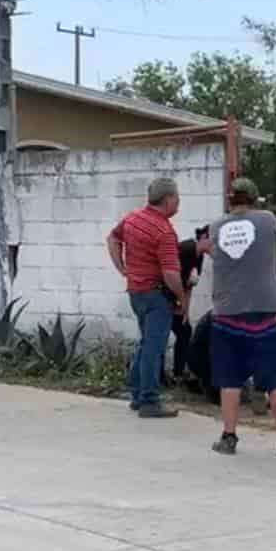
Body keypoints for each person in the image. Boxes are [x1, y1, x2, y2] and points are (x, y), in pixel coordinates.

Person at [208, 177, 276, 457]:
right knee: (275, 379)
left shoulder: (216, 226)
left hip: (226, 313)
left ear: (230, 199)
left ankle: (228, 438)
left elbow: (215, 255)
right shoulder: (267, 220)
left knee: (230, 380)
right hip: (263, 313)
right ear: (253, 198)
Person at [107, 177, 185, 418]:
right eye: (177, 198)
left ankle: (138, 393)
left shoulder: (133, 218)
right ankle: (149, 400)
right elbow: (171, 273)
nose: (179, 202)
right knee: (154, 346)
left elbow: (112, 238)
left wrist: (122, 268)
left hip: (136, 292)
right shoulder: (164, 231)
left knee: (145, 342)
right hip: (156, 295)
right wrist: (181, 296)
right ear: (168, 199)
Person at [168, 225, 211, 383]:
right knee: (161, 335)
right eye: (214, 241)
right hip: (165, 297)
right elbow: (172, 277)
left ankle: (178, 373)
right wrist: (177, 304)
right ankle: (157, 377)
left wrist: (185, 310)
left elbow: (190, 284)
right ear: (204, 237)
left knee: (185, 331)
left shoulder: (199, 257)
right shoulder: (186, 249)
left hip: (177, 300)